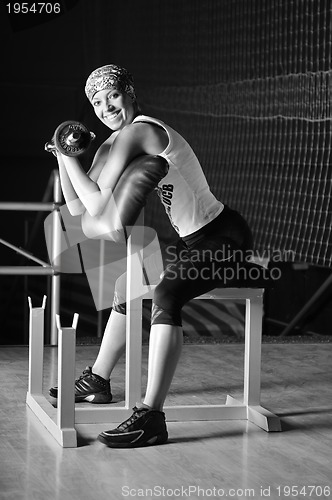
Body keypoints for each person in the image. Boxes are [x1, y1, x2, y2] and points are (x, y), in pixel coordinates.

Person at [49, 64, 255, 448]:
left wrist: (67, 154)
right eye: (96, 102)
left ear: (129, 91)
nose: (106, 106)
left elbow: (95, 203)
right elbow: (77, 209)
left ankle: (151, 416)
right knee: (129, 284)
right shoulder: (114, 142)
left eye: (112, 94)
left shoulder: (139, 131)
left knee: (165, 295)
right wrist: (63, 155)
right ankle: (98, 379)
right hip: (192, 242)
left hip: (224, 237)